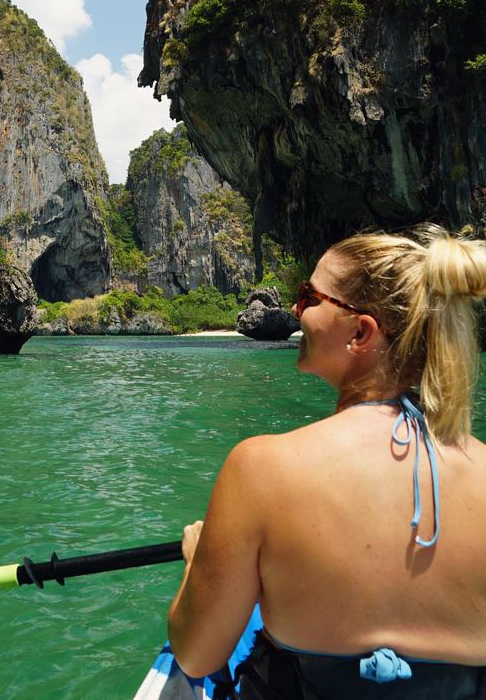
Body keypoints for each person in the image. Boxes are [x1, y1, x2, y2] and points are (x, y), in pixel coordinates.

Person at [167, 225, 486, 698]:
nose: (295, 308)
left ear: (361, 332)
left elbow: (195, 656)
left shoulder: (260, 470)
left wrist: (198, 564)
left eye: (309, 296)